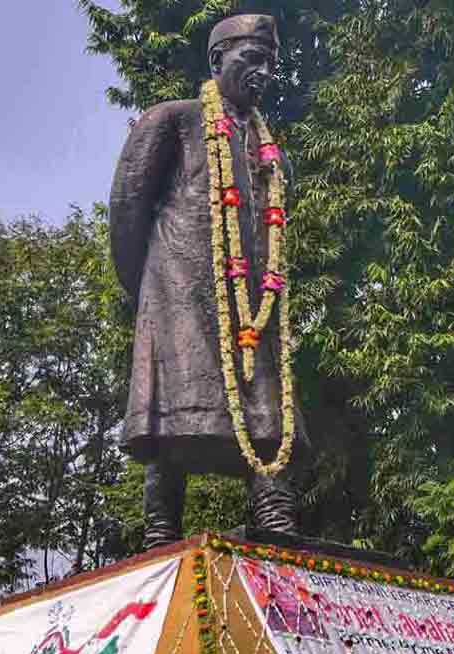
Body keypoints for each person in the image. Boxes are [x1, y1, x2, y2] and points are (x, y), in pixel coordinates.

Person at [109, 14, 310, 548]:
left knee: (268, 413)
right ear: (218, 61)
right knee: (170, 416)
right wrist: (152, 292)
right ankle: (160, 528)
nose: (264, 72)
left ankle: (274, 516)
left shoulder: (271, 153)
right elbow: (128, 210)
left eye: (270, 63)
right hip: (177, 294)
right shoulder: (173, 122)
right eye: (251, 59)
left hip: (253, 306)